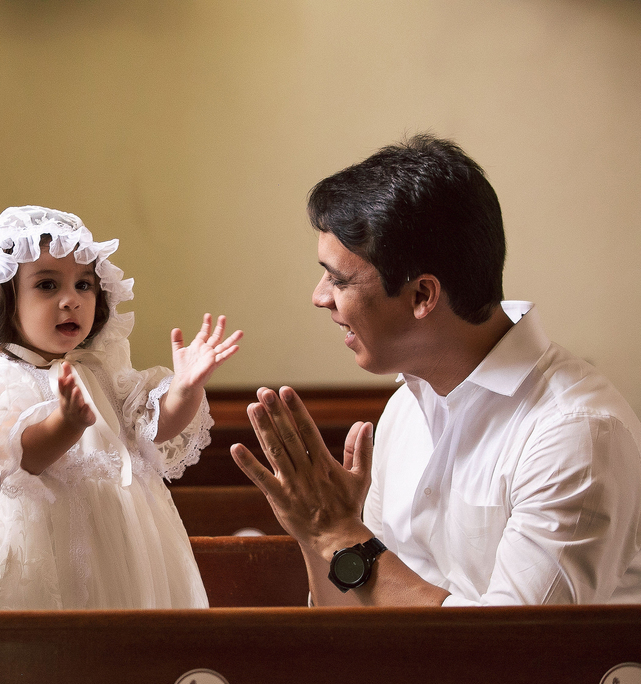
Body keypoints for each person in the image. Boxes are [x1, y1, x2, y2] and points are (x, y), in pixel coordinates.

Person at [231, 134, 641, 606]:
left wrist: (340, 535)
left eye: (339, 279)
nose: (319, 297)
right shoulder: (407, 406)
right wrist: (314, 530)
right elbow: (355, 614)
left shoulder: (575, 433)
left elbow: (512, 656)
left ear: (423, 295)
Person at [0, 205, 242, 609]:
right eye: (48, 285)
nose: (71, 300)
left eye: (84, 285)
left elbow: (155, 428)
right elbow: (26, 457)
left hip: (126, 544)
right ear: (6, 300)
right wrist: (67, 423)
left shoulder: (104, 370)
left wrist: (186, 390)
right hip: (48, 547)